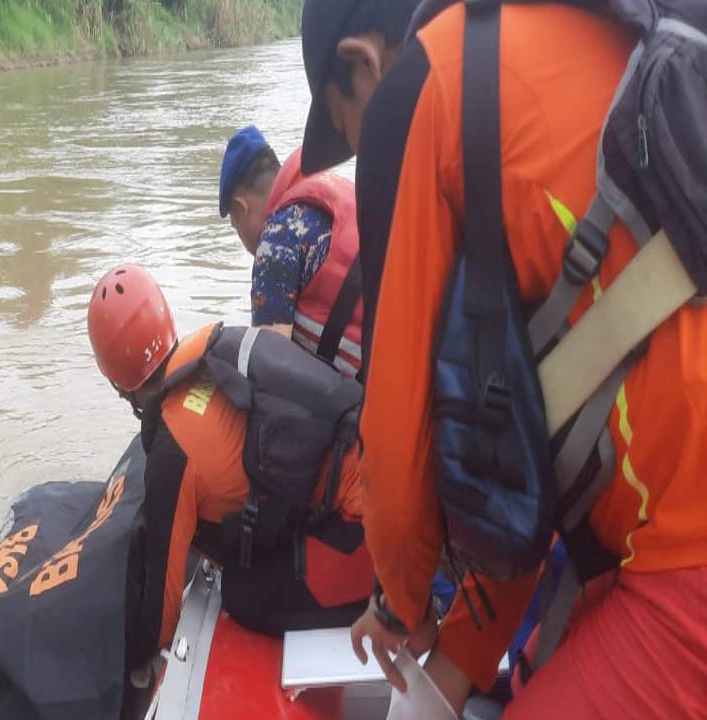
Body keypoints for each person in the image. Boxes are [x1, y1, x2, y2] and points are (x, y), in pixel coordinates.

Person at [298, 0, 707, 716]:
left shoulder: (424, 91)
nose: (367, 160)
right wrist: (454, 663)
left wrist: (399, 605)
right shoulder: (554, 43)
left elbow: (393, 440)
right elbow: (527, 464)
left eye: (349, 126)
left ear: (363, 62)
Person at [87, 263, 374, 668]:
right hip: (380, 466)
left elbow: (162, 612)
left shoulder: (172, 453)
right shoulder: (213, 350)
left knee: (240, 592)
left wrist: (139, 664)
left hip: (375, 541)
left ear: (116, 382)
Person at [218, 127, 364, 376]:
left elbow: (271, 372)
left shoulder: (276, 241)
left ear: (241, 207)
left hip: (383, 385)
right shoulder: (326, 188)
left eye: (235, 225)